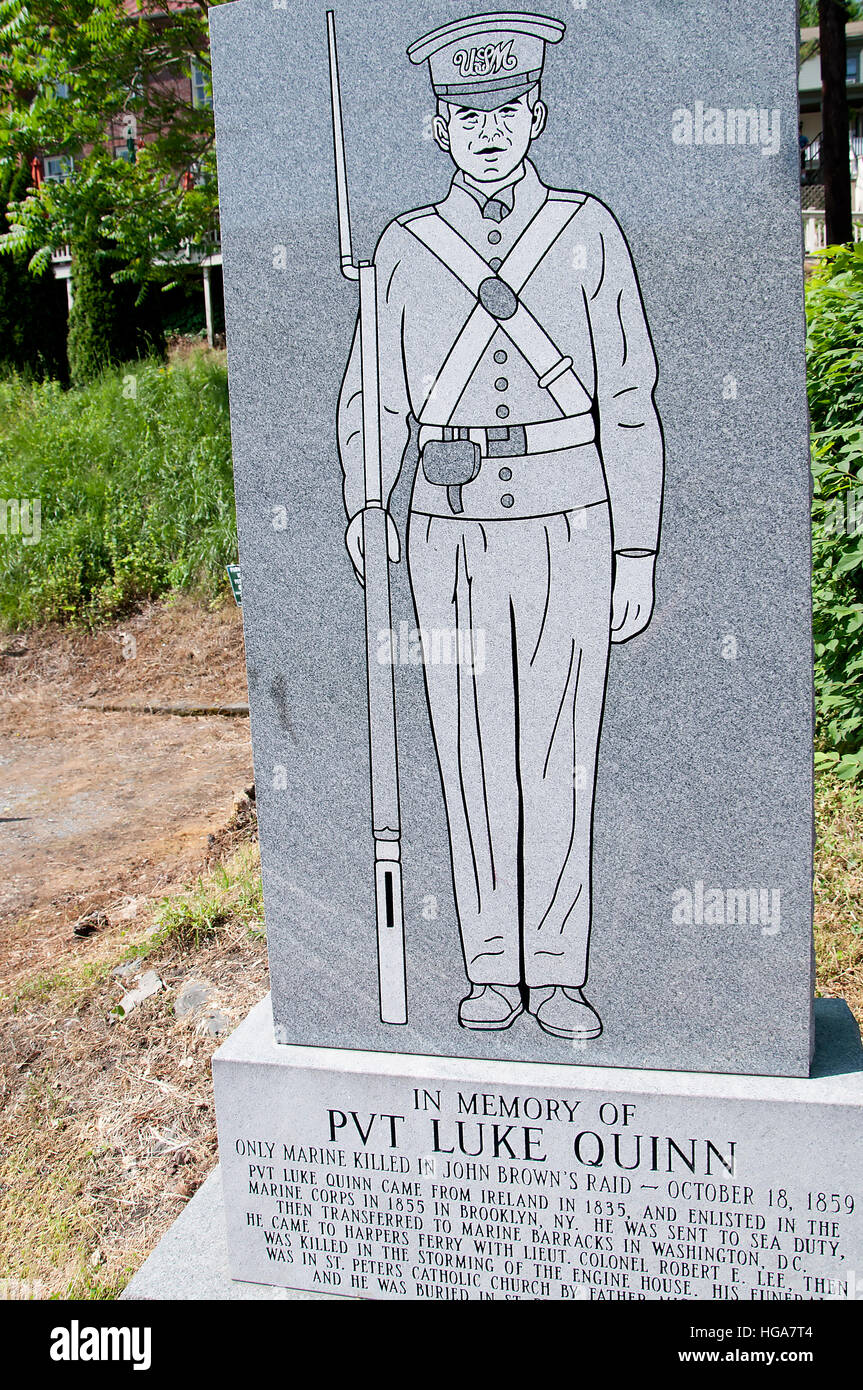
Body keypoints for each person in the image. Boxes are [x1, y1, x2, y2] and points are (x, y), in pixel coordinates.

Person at [337, 12, 664, 1040]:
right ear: (437, 129)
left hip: (572, 517)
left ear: (537, 114)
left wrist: (635, 544)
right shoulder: (401, 247)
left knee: (559, 751)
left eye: (502, 110)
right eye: (461, 113)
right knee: (470, 752)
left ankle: (556, 970)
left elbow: (627, 393)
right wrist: (364, 497)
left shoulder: (586, 231)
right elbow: (372, 393)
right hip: (448, 528)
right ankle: (490, 966)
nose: (484, 130)